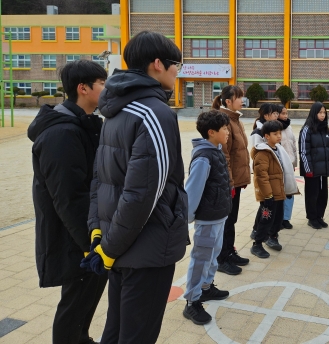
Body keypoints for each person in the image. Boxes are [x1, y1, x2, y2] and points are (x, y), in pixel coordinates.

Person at [84, 31, 189, 343]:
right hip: (146, 247)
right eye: (176, 65)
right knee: (137, 335)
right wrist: (110, 247)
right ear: (157, 64)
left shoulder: (115, 111)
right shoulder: (155, 113)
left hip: (119, 245)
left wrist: (99, 235)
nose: (176, 72)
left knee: (116, 331)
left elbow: (99, 180)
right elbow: (143, 194)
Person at [29, 60, 108, 344]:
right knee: (74, 303)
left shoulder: (86, 124)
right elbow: (69, 198)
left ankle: (82, 337)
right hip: (74, 236)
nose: (107, 88)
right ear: (83, 88)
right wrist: (90, 246)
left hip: (88, 232)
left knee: (86, 299)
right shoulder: (61, 133)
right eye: (102, 83)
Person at [182, 110, 233, 326]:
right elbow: (192, 191)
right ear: (211, 132)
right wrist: (189, 218)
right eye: (224, 129)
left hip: (219, 215)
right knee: (201, 258)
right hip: (207, 218)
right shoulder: (203, 157)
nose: (228, 132)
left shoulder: (216, 150)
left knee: (213, 254)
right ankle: (192, 302)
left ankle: (206, 287)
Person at [212, 85, 251, 276]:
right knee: (226, 221)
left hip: (236, 180)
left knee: (232, 219)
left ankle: (229, 251)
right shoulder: (224, 120)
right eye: (239, 97)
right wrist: (229, 182)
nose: (242, 100)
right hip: (230, 182)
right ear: (228, 101)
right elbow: (225, 155)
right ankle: (221, 258)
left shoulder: (235, 119)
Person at [250, 120, 299, 258]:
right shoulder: (263, 152)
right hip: (269, 195)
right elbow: (261, 176)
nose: (279, 136)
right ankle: (257, 244)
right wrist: (268, 195)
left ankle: (273, 237)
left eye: (280, 133)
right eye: (275, 134)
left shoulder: (278, 149)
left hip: (279, 192)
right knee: (266, 219)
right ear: (266, 136)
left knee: (277, 219)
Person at [299, 102, 329, 229]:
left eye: (324, 112)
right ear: (314, 113)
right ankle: (312, 218)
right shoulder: (307, 129)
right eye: (320, 112)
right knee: (312, 195)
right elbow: (303, 151)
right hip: (311, 170)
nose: (322, 115)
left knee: (323, 194)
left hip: (323, 169)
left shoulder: (326, 129)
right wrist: (308, 169)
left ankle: (319, 216)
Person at [279, 105, 298, 229]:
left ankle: (286, 218)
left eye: (286, 113)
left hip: (290, 164)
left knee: (290, 192)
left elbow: (293, 145)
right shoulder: (274, 128)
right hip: (280, 164)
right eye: (283, 113)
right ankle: (279, 218)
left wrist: (295, 162)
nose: (285, 116)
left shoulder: (289, 127)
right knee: (280, 192)